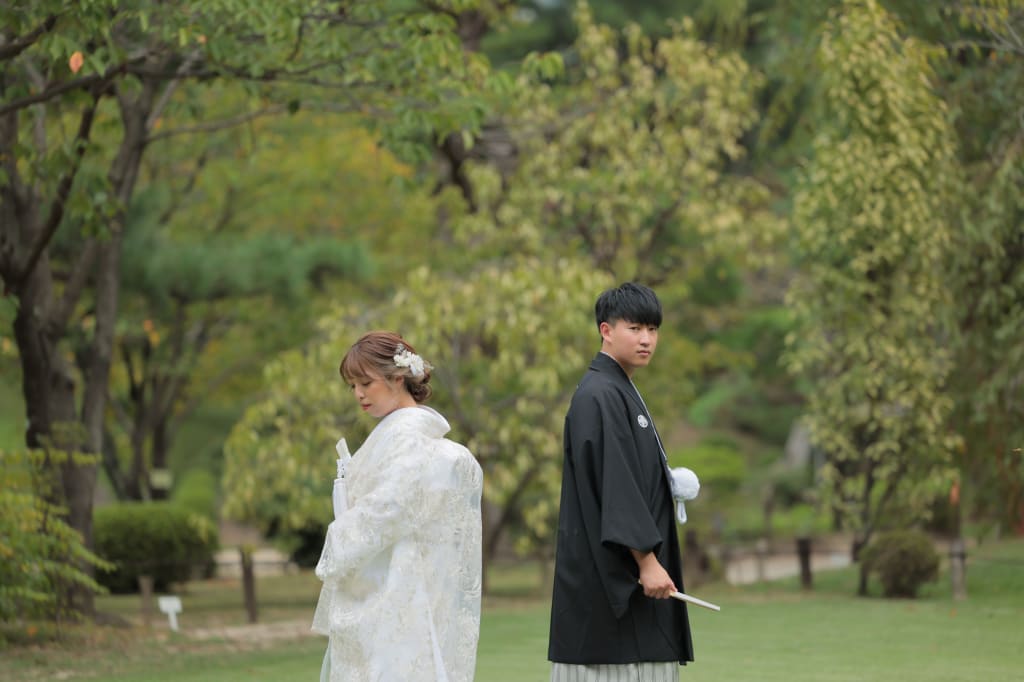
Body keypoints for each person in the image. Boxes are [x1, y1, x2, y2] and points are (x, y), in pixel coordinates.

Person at [312, 331, 483, 682]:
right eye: (353, 385)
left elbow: (392, 507)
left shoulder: (406, 436)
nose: (359, 394)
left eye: (366, 383)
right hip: (395, 580)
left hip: (397, 583)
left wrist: (339, 538)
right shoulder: (407, 434)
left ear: (397, 377)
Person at [548, 282, 694, 682]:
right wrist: (646, 561)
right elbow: (618, 484)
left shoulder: (617, 389)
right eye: (635, 328)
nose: (646, 339)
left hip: (628, 575)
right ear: (606, 330)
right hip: (615, 580)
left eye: (652, 329)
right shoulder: (600, 394)